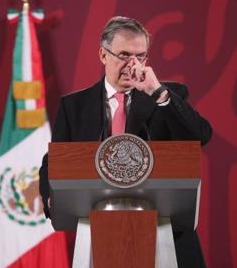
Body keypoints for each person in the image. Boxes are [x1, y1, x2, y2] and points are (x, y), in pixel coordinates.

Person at [39, 16, 212, 267]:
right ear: (103, 55)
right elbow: (54, 161)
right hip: (98, 237)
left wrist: (158, 93)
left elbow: (201, 136)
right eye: (124, 55)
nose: (133, 65)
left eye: (140, 56)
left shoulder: (165, 96)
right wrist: (50, 195)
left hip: (166, 239)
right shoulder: (74, 106)